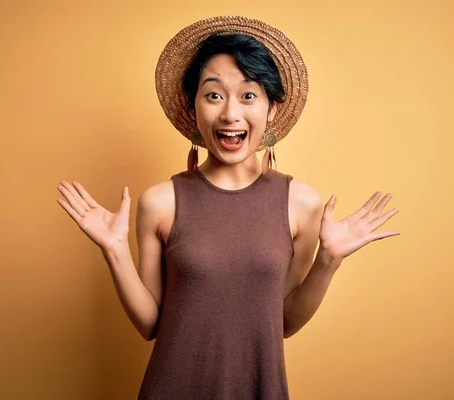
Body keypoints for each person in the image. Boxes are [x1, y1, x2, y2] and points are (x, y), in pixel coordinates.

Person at [56, 15, 400, 400]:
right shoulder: (160, 202)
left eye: (249, 95)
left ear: (271, 110)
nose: (230, 113)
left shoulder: (301, 204)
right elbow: (150, 323)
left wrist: (329, 260)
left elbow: (284, 321)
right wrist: (115, 251)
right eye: (214, 94)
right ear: (193, 110)